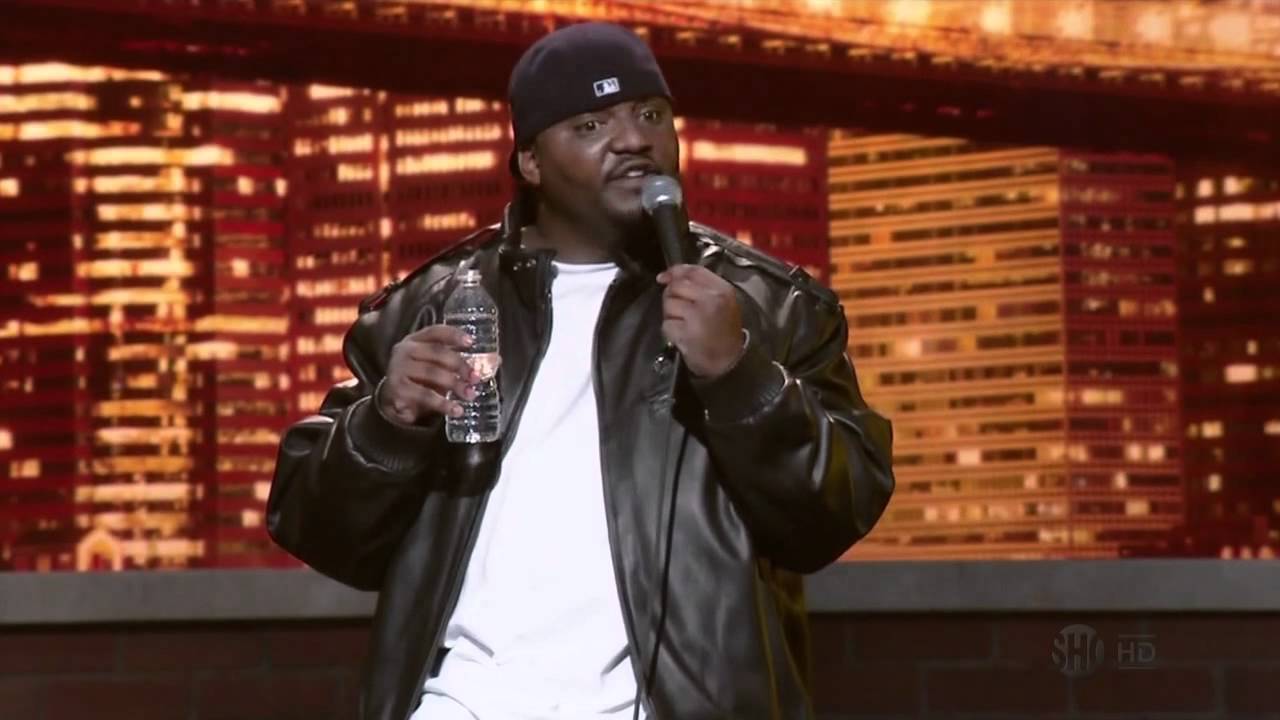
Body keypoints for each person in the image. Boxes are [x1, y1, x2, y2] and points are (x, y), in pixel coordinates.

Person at [268, 21, 895, 720]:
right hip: (464, 703)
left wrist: (740, 377)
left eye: (650, 115)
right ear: (531, 162)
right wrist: (386, 423)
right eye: (592, 124)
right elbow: (318, 532)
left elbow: (832, 518)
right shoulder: (431, 306)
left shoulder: (769, 307)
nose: (633, 140)